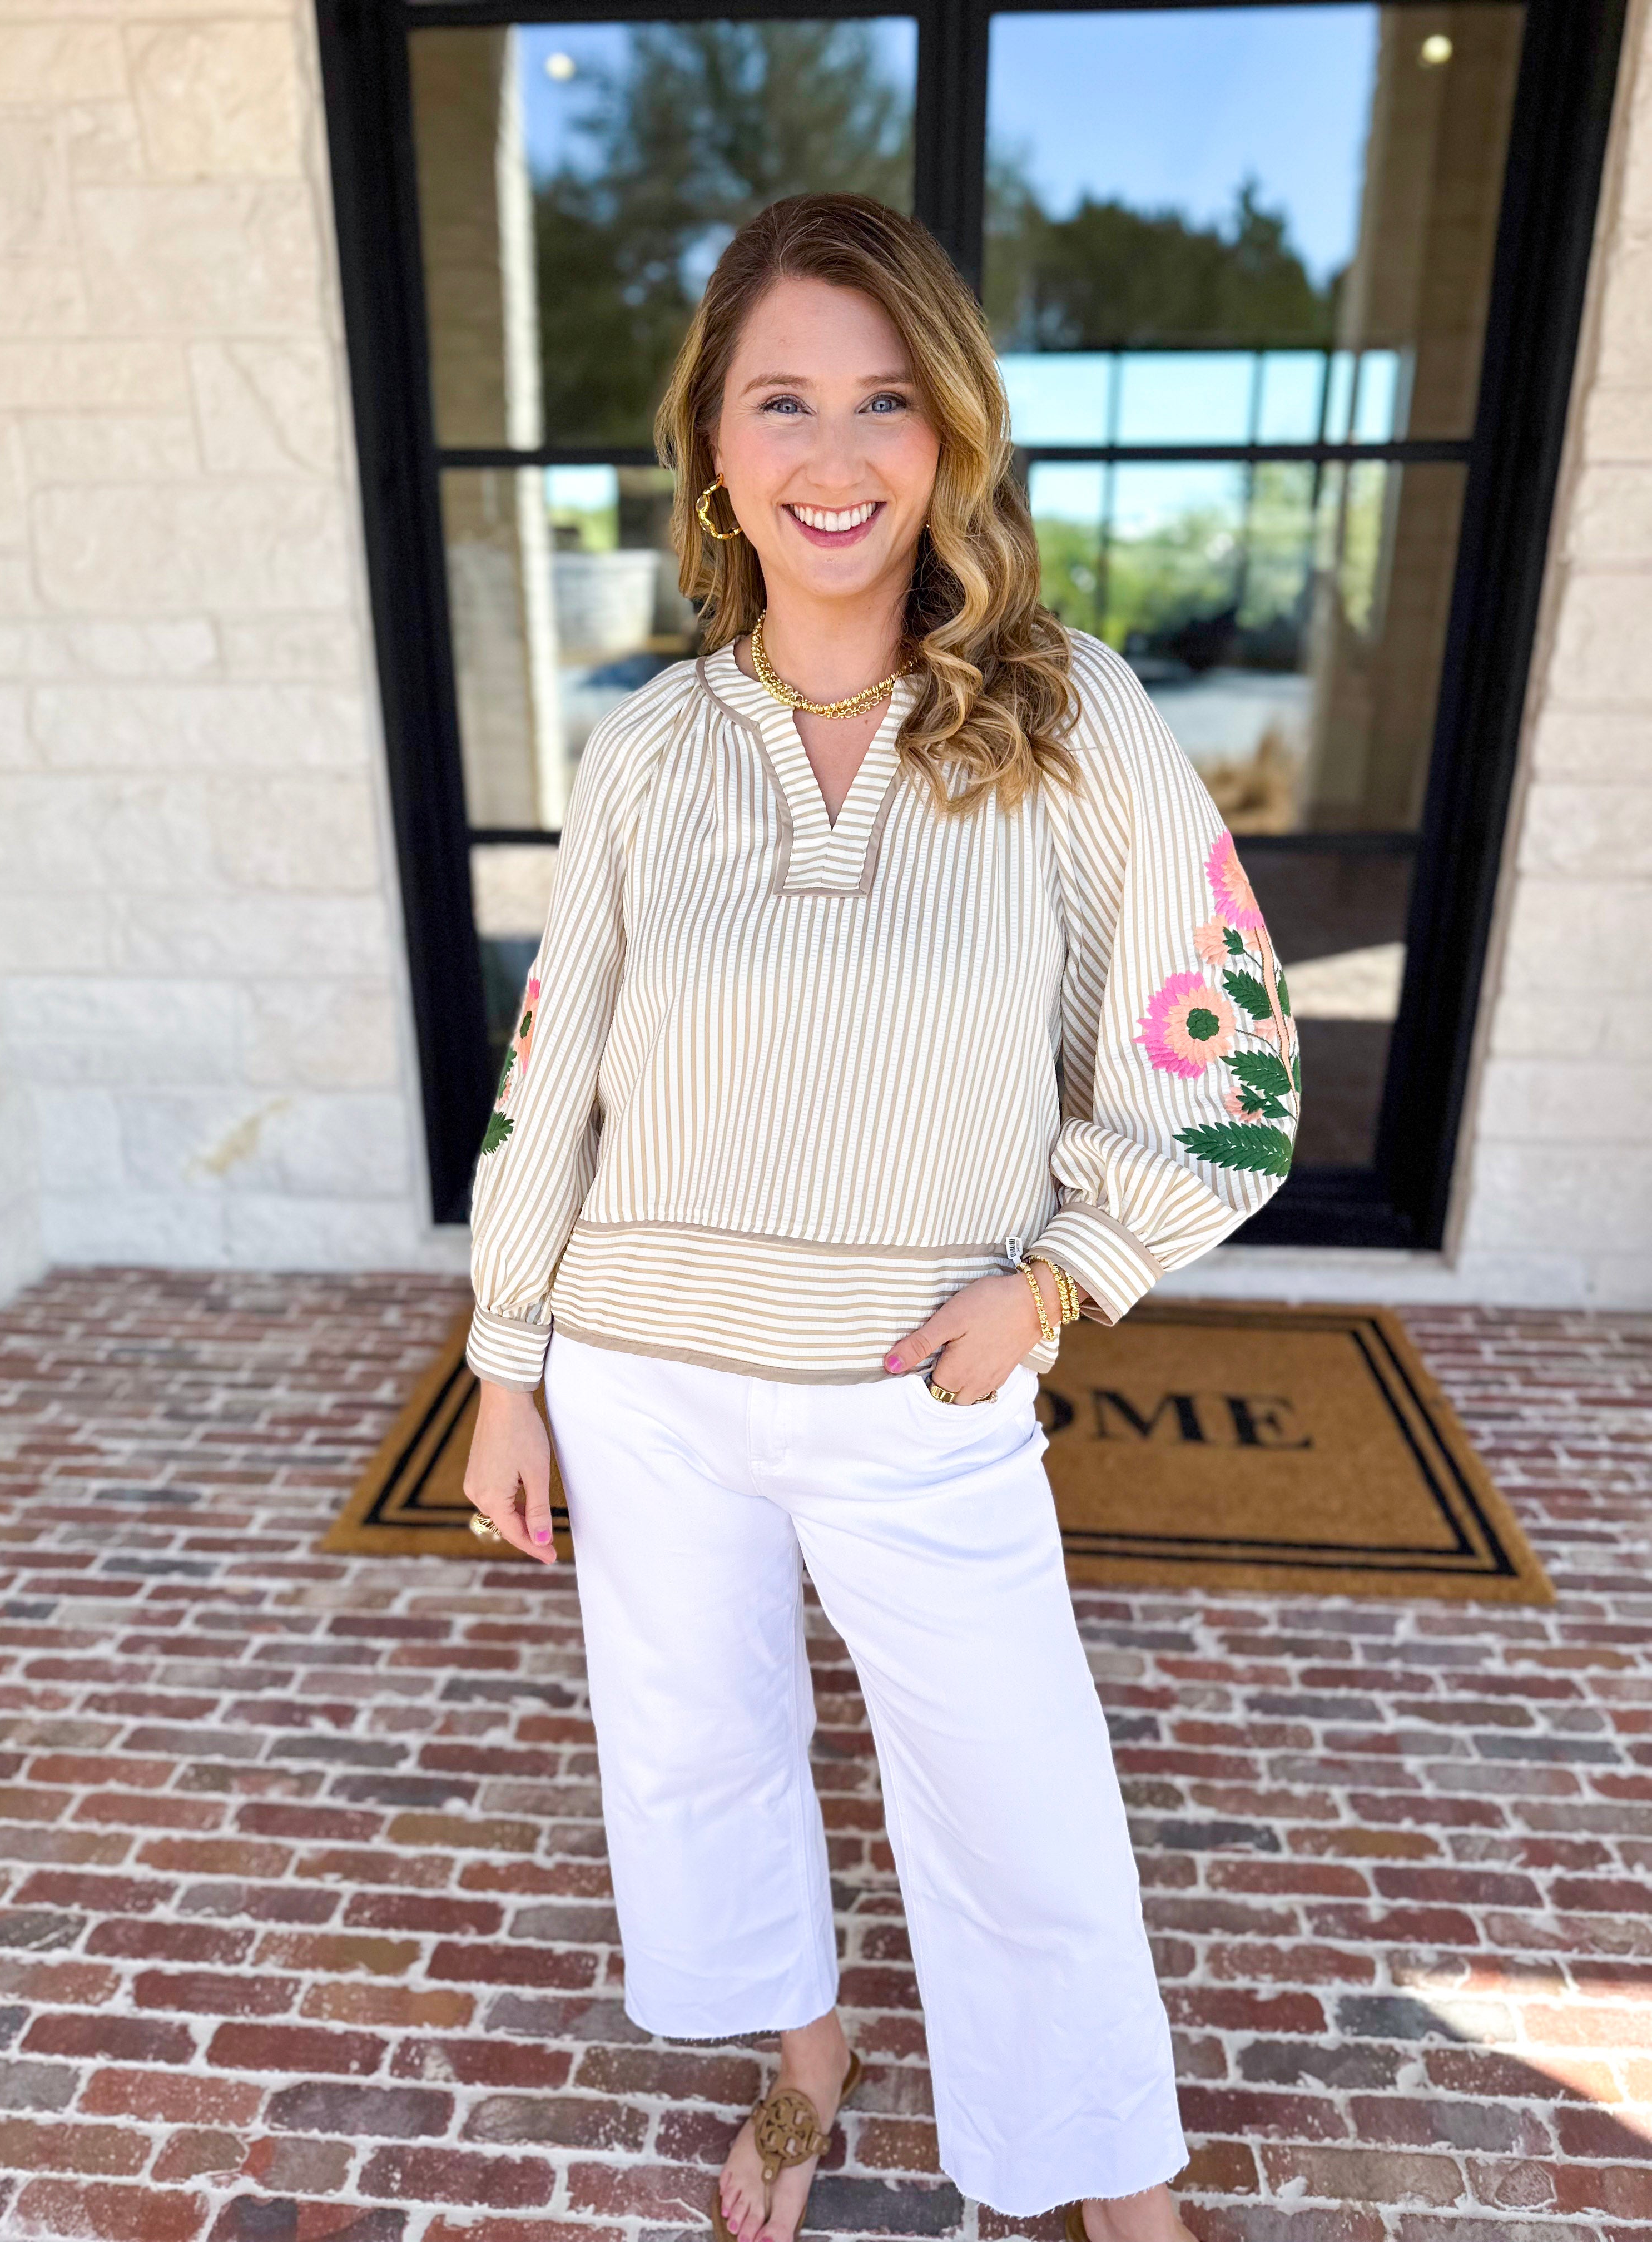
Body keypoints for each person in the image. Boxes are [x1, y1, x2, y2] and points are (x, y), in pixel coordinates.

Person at [462, 192, 1299, 2242]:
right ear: (715, 450)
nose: (834, 458)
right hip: (647, 1371)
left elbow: (1231, 1057)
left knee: (1026, 1812)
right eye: (782, 404)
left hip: (921, 1376)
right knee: (698, 1756)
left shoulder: (1071, 712)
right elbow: (549, 1072)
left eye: (884, 402)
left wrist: (1061, 1278)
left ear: (949, 438)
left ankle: (1113, 2182)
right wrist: (506, 1366)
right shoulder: (646, 751)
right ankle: (805, 2055)